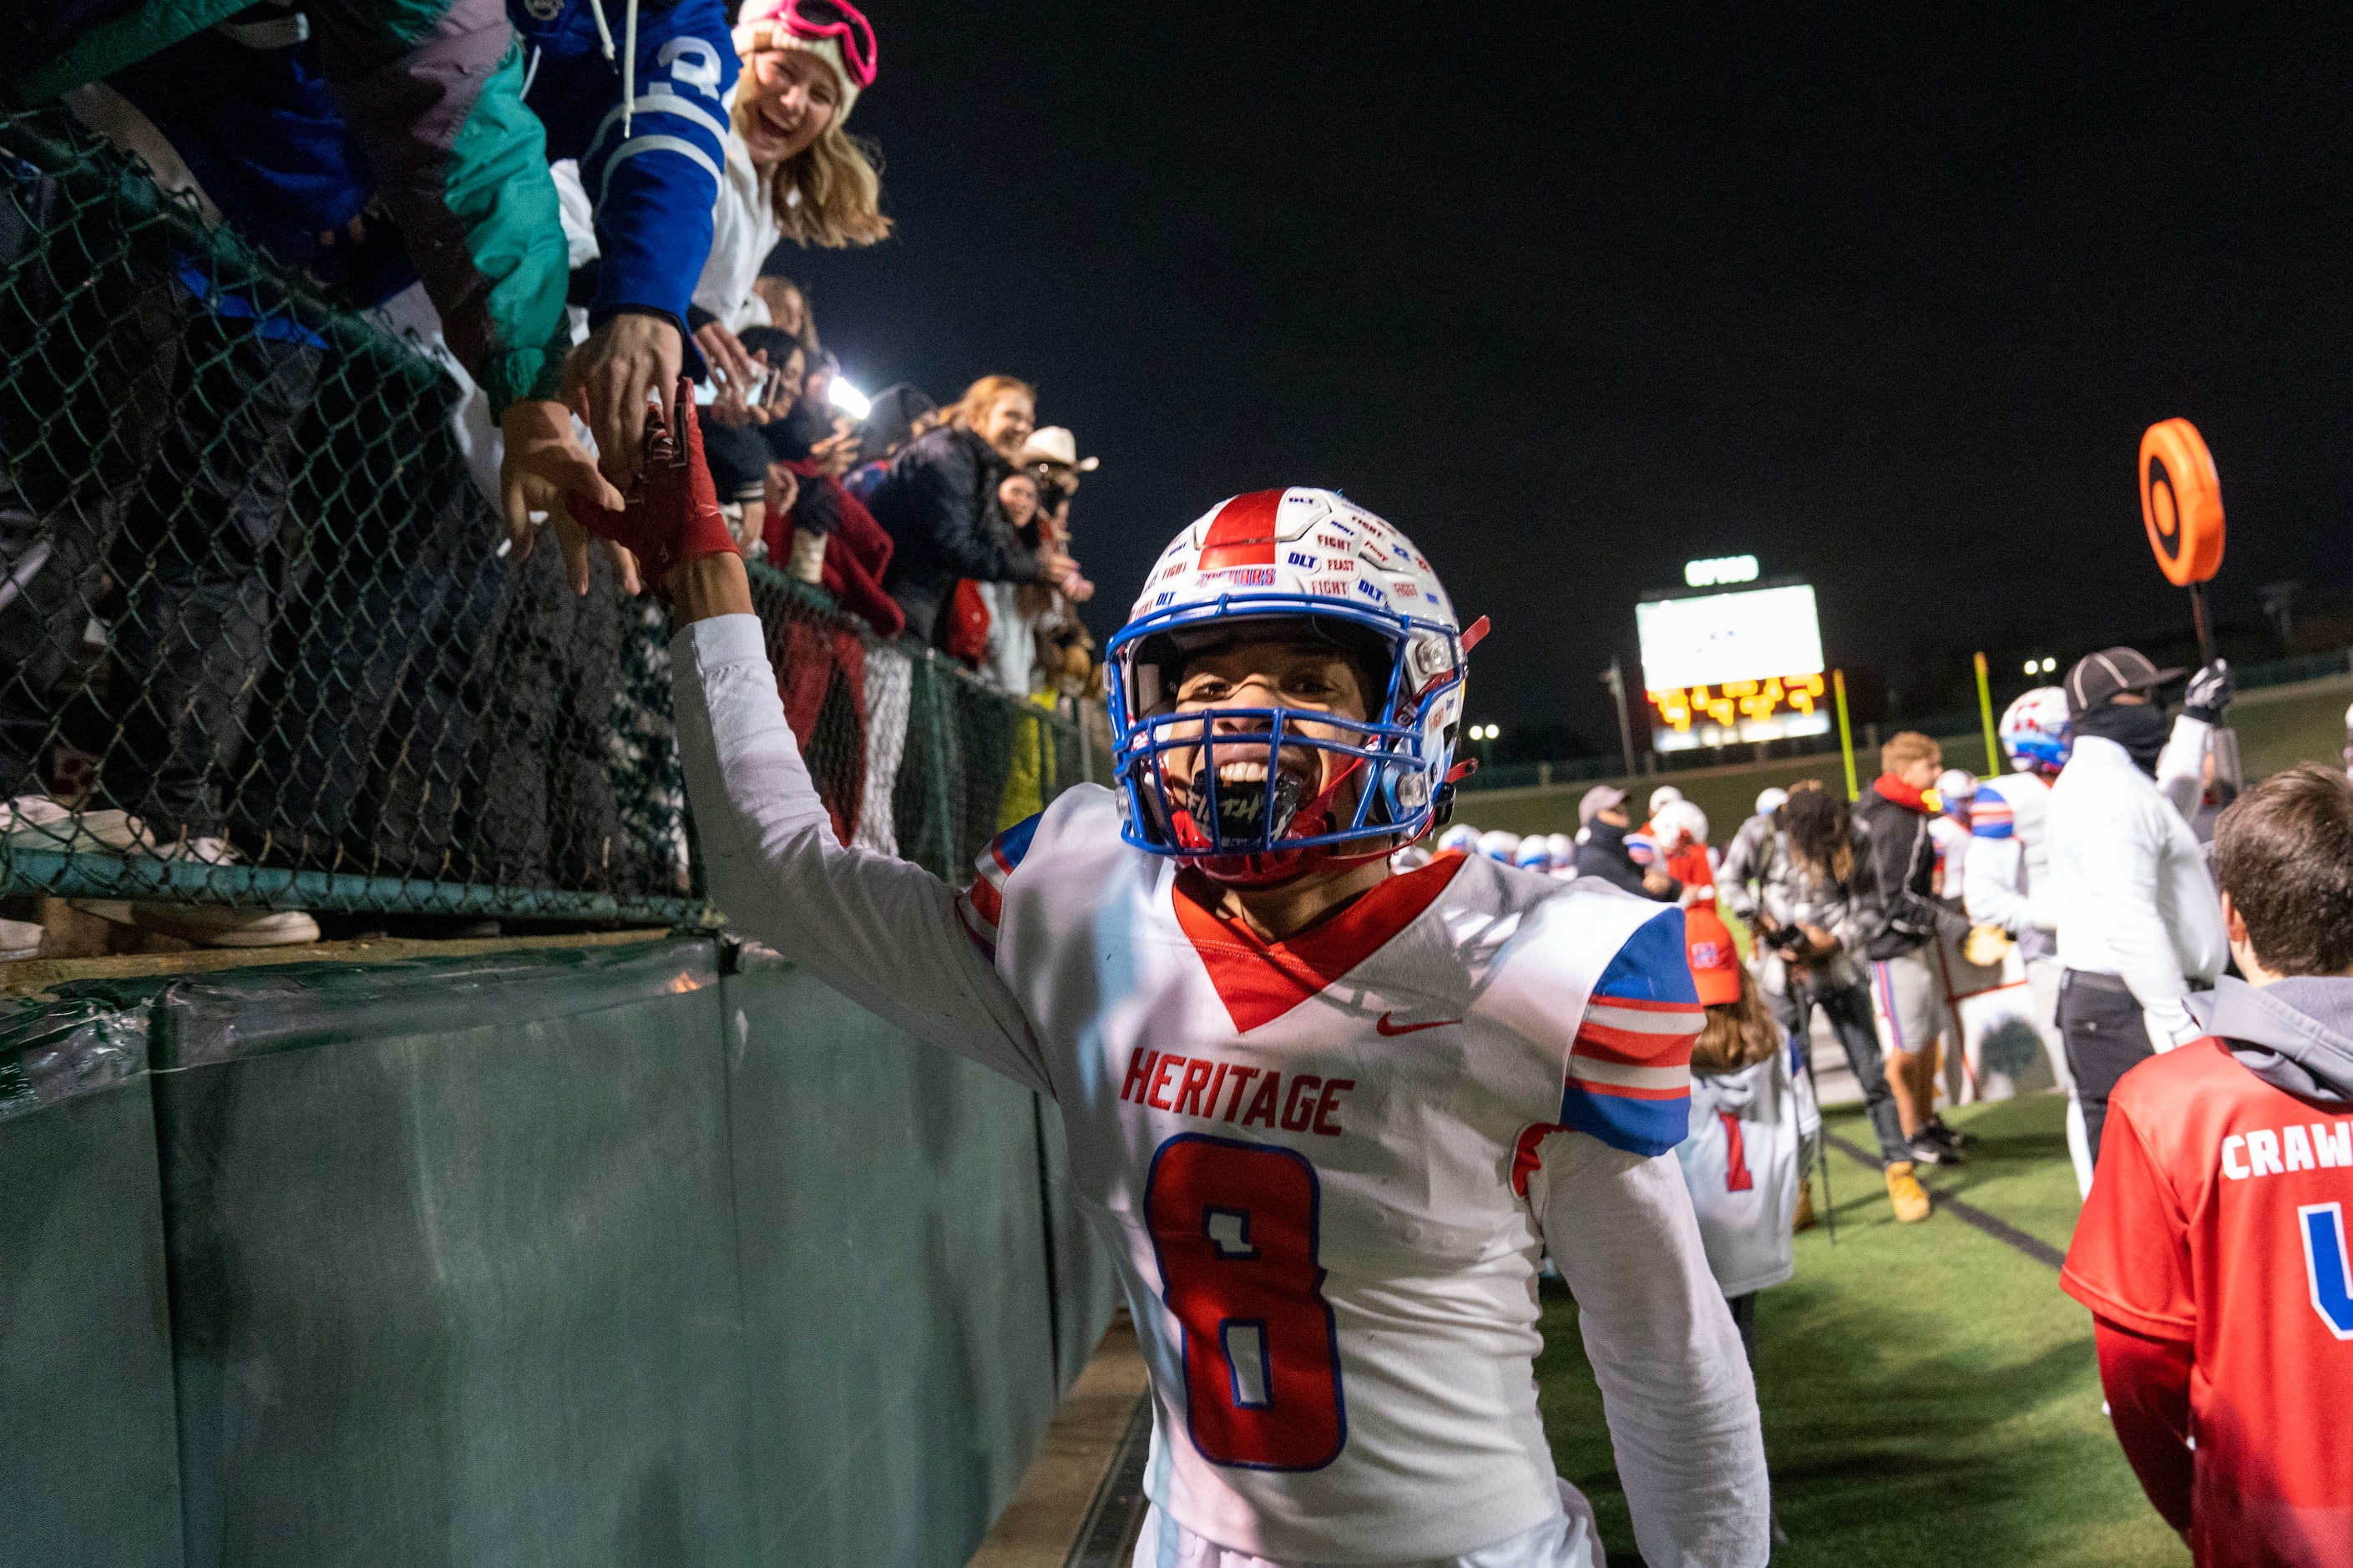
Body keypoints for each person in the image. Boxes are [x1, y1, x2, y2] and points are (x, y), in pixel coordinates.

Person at [579, 433, 1771, 1566]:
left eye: (1307, 677)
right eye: (1206, 681)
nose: (1243, 720)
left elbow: (1669, 1367)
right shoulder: (1085, 905)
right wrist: (707, 572)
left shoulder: (1529, 966)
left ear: (1415, 707)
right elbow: (776, 876)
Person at [2060, 762, 2353, 1565]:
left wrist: (2199, 1508)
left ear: (2232, 918)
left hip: (2273, 1527)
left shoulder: (2166, 1102)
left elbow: (2133, 1367)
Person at [2047, 648, 2231, 1166]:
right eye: (2140, 693)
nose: (2152, 705)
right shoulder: (2106, 790)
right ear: (2104, 706)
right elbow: (2127, 914)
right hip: (2128, 1004)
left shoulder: (2110, 781)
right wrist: (2176, 1019)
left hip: (2122, 999)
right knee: (2139, 1178)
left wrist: (2195, 724)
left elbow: (2164, 818)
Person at [1723, 782, 1928, 1222]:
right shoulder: (1761, 832)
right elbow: (1731, 883)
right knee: (1791, 1084)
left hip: (1840, 970)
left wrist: (1832, 942)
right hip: (1781, 977)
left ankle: (1900, 1169)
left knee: (1873, 1074)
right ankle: (1798, 1184)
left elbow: (1874, 906)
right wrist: (1766, 924)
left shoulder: (1854, 832)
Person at [684, 0, 890, 402]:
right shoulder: (686, 138)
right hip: (548, 396)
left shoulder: (767, 198)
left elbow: (697, 333)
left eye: (820, 96)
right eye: (783, 71)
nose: (794, 103)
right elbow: (559, 234)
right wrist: (669, 310)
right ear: (741, 58)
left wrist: (731, 390)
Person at [1966, 685, 2092, 1192]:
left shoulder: (2087, 781)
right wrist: (2062, 917)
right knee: (2088, 1090)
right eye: (2067, 729)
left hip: (2116, 950)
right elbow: (1985, 901)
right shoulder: (2008, 797)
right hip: (2057, 961)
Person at [865, 376, 1084, 646]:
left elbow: (996, 539)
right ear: (978, 416)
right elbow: (956, 545)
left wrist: (1042, 567)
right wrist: (1036, 568)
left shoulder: (982, 467)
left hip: (918, 601)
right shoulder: (947, 456)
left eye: (1028, 420)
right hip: (890, 592)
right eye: (1012, 415)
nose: (1023, 428)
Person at [1848, 732, 1972, 1161]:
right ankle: (1910, 1133)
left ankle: (1927, 1121)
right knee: (1907, 1046)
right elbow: (1891, 899)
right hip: (1890, 945)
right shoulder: (1895, 819)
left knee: (1927, 1035)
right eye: (1930, 766)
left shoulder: (1902, 811)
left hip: (1906, 941)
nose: (1937, 774)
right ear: (1904, 771)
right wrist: (1952, 924)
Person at [1574, 785, 1678, 900]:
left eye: (1621, 806)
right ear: (1594, 820)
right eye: (1613, 809)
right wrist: (1668, 886)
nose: (1622, 811)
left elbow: (1655, 880)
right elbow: (1646, 901)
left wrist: (1666, 882)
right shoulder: (1596, 860)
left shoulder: (1616, 851)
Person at [1716, 786, 1786, 918]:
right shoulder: (1753, 832)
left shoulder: (1807, 832)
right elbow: (1729, 879)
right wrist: (1756, 917)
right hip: (1778, 922)